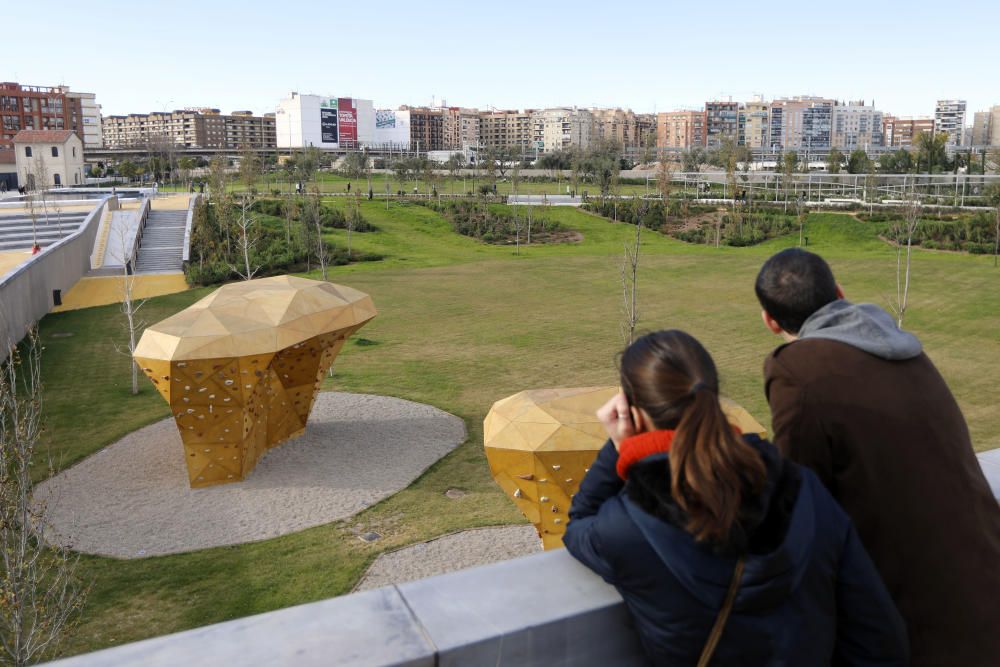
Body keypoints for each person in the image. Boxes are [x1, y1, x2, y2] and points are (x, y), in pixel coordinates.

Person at [564, 330, 907, 666]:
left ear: (633, 413)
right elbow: (878, 639)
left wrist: (618, 448)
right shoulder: (802, 488)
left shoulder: (625, 527)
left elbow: (578, 523)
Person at [755, 248, 1000, 666]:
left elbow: (797, 500)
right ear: (838, 292)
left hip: (922, 621)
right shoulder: (904, 348)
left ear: (770, 321)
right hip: (984, 578)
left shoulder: (796, 370)